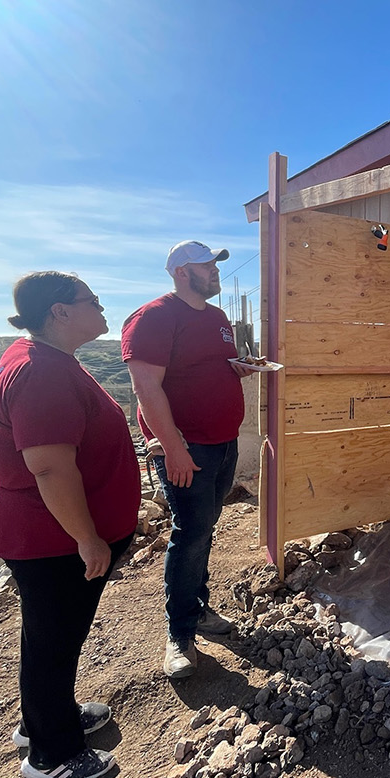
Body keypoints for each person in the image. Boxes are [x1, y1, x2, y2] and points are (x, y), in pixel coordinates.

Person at [0, 272, 141, 778]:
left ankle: (46, 721)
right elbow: (49, 467)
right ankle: (52, 754)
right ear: (60, 311)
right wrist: (87, 539)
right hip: (52, 540)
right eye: (90, 300)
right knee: (54, 639)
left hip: (50, 537)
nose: (100, 307)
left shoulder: (46, 359)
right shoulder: (41, 372)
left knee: (51, 635)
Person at [121, 241, 255, 680]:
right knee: (190, 533)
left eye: (217, 266)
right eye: (207, 266)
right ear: (181, 272)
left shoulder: (216, 318)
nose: (216, 272)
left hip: (223, 443)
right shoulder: (154, 317)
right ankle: (179, 634)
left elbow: (206, 367)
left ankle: (198, 610)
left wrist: (237, 366)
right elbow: (146, 388)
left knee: (203, 529)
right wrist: (173, 448)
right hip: (188, 448)